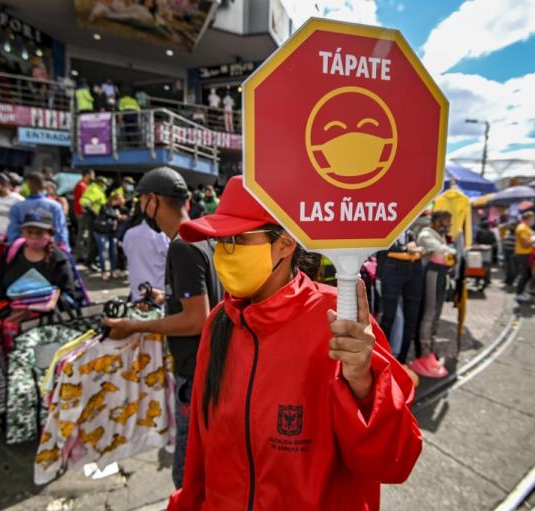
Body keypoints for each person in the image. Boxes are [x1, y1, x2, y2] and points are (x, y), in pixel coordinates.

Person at [164, 176, 421, 510]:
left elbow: (393, 462)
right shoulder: (218, 322)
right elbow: (200, 451)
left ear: (285, 244)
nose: (224, 254)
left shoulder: (340, 322)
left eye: (237, 240)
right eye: (220, 241)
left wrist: (364, 384)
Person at [103, 167, 221, 489]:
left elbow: (198, 318)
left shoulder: (182, 246)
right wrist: (165, 297)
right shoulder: (204, 233)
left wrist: (134, 326)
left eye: (142, 200)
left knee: (186, 473)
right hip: (211, 368)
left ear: (152, 200)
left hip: (195, 371)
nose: (141, 208)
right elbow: (200, 298)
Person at [0, 210, 81, 312]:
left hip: (48, 319)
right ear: (23, 232)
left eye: (39, 233)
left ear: (50, 234)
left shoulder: (59, 260)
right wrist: (6, 310)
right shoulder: (12, 253)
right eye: (30, 232)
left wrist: (41, 309)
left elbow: (69, 294)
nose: (34, 236)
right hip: (12, 318)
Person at [414, 210, 455, 378]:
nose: (448, 225)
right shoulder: (426, 234)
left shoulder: (439, 235)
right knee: (429, 315)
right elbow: (444, 252)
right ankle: (423, 353)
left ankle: (430, 350)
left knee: (436, 316)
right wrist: (451, 253)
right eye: (446, 221)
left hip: (441, 277)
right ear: (437, 221)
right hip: (431, 276)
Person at [377, 231, 425, 367]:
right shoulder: (386, 219)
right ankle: (382, 361)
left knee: (411, 319)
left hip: (413, 267)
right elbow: (381, 244)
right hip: (391, 267)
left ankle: (401, 362)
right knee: (389, 318)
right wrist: (406, 248)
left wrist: (412, 245)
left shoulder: (408, 229)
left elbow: (411, 241)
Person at [6, 172, 69, 248]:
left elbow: (13, 232)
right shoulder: (55, 206)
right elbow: (60, 232)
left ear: (27, 185)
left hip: (24, 251)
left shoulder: (17, 207)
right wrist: (63, 251)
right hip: (49, 250)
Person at [122, 210, 170, 301]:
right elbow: (171, 258)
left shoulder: (129, 233)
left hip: (137, 291)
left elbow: (126, 253)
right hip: (159, 293)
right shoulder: (161, 235)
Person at [92, 193, 125, 281]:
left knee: (113, 252)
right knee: (103, 251)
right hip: (101, 231)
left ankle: (113, 270)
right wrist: (119, 216)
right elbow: (108, 214)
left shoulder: (118, 208)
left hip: (112, 232)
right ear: (114, 199)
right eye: (119, 200)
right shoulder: (105, 206)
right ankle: (104, 272)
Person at [514, 211, 535, 302]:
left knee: (528, 274)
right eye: (532, 219)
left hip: (528, 253)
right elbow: (525, 244)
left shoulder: (527, 227)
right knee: (524, 274)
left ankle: (523, 291)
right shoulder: (522, 228)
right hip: (523, 254)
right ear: (527, 218)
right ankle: (519, 293)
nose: (533, 220)